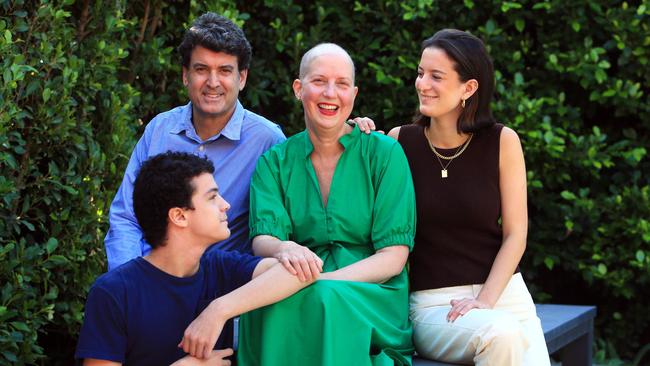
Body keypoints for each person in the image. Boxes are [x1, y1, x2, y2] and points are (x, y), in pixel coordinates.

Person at [357, 29, 550, 365]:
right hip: (434, 306)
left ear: (468, 88)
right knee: (500, 334)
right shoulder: (399, 142)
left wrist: (487, 300)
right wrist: (353, 138)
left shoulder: (503, 141)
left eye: (436, 76)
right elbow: (361, 209)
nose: (422, 84)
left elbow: (516, 234)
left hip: (506, 296)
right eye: (420, 74)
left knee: (504, 332)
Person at [237, 43, 416, 365]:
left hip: (372, 291)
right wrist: (283, 250)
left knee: (321, 299)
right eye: (319, 81)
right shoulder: (274, 162)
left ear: (354, 93)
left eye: (342, 84)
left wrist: (317, 282)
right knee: (262, 304)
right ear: (298, 88)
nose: (330, 93)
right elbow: (263, 238)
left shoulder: (385, 154)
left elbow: (393, 258)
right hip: (298, 278)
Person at [75, 151, 313, 365]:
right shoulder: (114, 292)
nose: (226, 205)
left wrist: (218, 310)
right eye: (212, 197)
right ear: (179, 216)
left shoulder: (221, 267)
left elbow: (296, 273)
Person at [104, 12, 286, 270]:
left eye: (224, 70)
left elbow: (280, 225)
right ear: (185, 75)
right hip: (152, 277)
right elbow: (126, 218)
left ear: (242, 78)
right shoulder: (160, 130)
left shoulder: (268, 141)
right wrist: (132, 285)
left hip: (224, 291)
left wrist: (349, 131)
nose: (213, 83)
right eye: (201, 69)